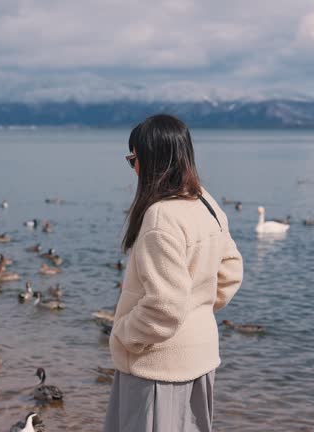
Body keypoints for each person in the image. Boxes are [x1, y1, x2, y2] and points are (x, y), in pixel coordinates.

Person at [104, 114, 243, 432]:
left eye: (133, 159)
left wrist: (124, 334)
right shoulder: (206, 202)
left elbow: (165, 308)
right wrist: (197, 309)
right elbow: (231, 272)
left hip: (158, 368)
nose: (133, 167)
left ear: (152, 159)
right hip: (202, 357)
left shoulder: (160, 217)